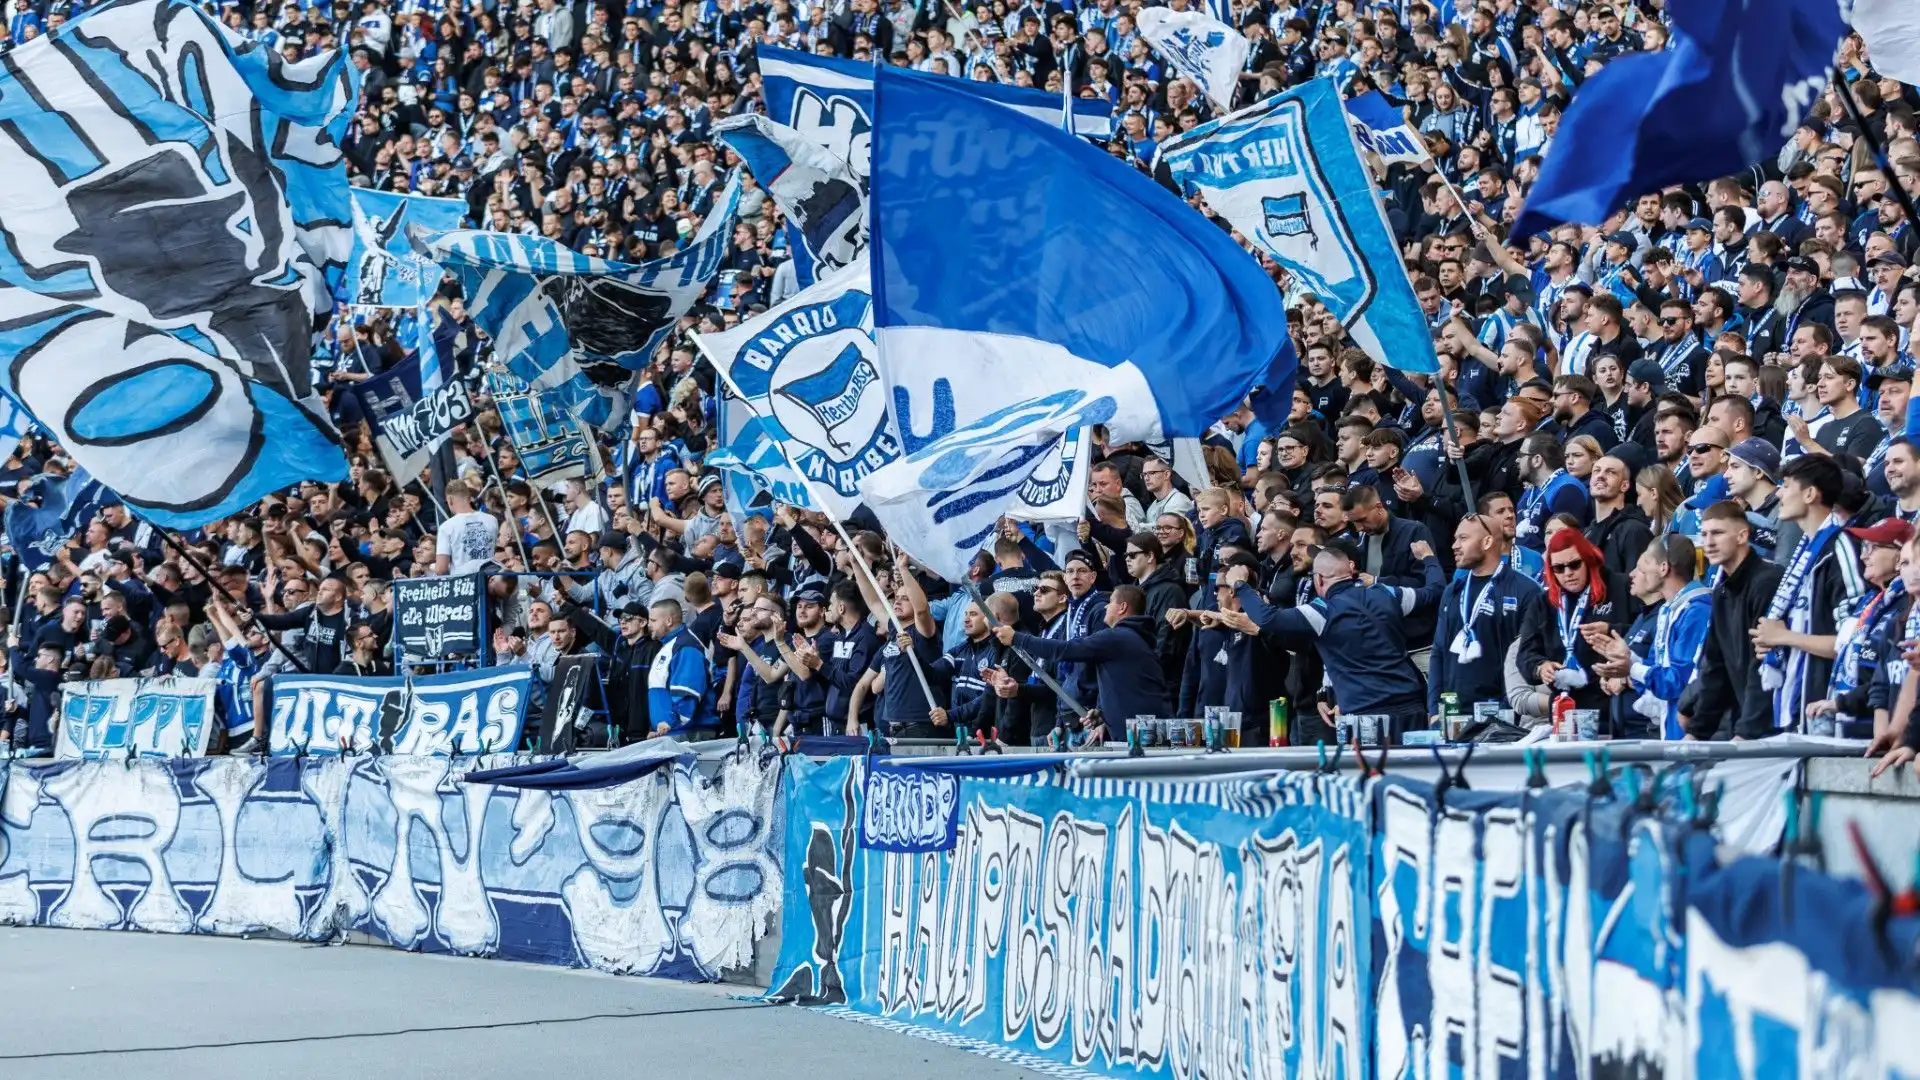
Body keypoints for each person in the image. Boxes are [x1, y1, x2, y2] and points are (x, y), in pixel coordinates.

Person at [1229, 540, 1444, 742]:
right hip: (1412, 709)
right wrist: (1429, 558)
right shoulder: (1388, 594)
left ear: (1319, 580)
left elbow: (1267, 618)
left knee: (1371, 780)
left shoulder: (1321, 611)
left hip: (1366, 718)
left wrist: (1240, 585)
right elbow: (1435, 591)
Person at [1751, 455, 1864, 731]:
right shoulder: (1805, 549)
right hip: (1792, 706)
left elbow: (1853, 641)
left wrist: (1785, 637)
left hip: (1823, 713)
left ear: (1811, 494)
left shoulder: (1840, 548)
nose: (1779, 493)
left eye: (1786, 485)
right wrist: (1774, 643)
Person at [992, 583, 1166, 739]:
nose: (1106, 606)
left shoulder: (1118, 637)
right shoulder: (1130, 638)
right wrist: (1103, 714)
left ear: (1122, 607)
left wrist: (1017, 638)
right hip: (1138, 730)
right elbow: (1125, 687)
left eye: (1111, 601)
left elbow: (1065, 650)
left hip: (1141, 736)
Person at [1428, 513, 1549, 722]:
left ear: (1486, 542)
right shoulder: (1452, 591)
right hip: (1453, 714)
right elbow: (1438, 651)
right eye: (1456, 539)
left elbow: (1528, 654)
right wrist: (1433, 710)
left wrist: (1510, 710)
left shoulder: (1526, 590)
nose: (1455, 546)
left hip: (1504, 715)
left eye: (1463, 538)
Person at [1690, 501, 1788, 740]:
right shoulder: (1722, 590)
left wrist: (1747, 732)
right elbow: (1716, 664)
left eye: (1717, 533)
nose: (1708, 542)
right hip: (1745, 721)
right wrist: (1696, 733)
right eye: (1704, 534)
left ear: (1742, 535)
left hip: (1775, 728)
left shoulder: (1767, 581)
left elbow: (1766, 662)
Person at [646, 598, 718, 739]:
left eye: (653, 621)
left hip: (688, 733)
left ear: (668, 621)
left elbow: (687, 694)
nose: (649, 625)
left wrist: (670, 724)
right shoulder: (672, 645)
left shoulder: (686, 646)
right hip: (674, 731)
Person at [434, 480, 499, 576]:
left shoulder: (446, 527)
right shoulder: (492, 520)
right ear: (469, 498)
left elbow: (440, 569)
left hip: (464, 583)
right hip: (489, 578)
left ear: (450, 500)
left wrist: (432, 567)